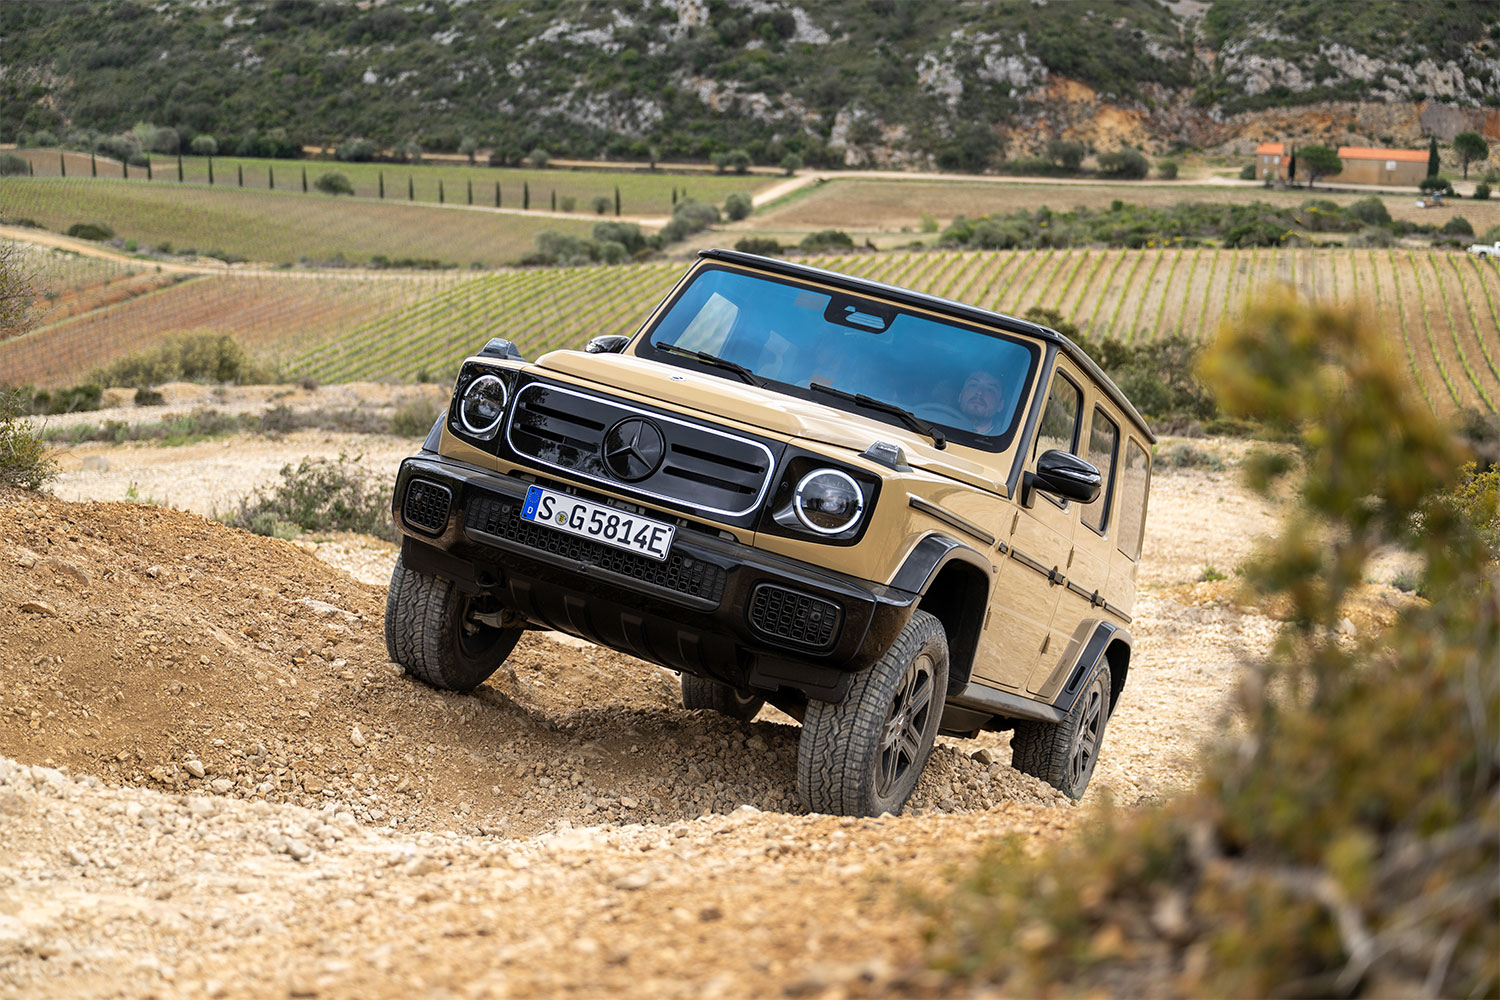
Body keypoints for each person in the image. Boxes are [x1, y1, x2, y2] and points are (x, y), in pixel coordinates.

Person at [956, 369, 1004, 434]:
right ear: (960, 396)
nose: (979, 392)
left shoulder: (1008, 441)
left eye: (990, 390)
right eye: (973, 385)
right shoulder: (941, 426)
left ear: (1000, 405)